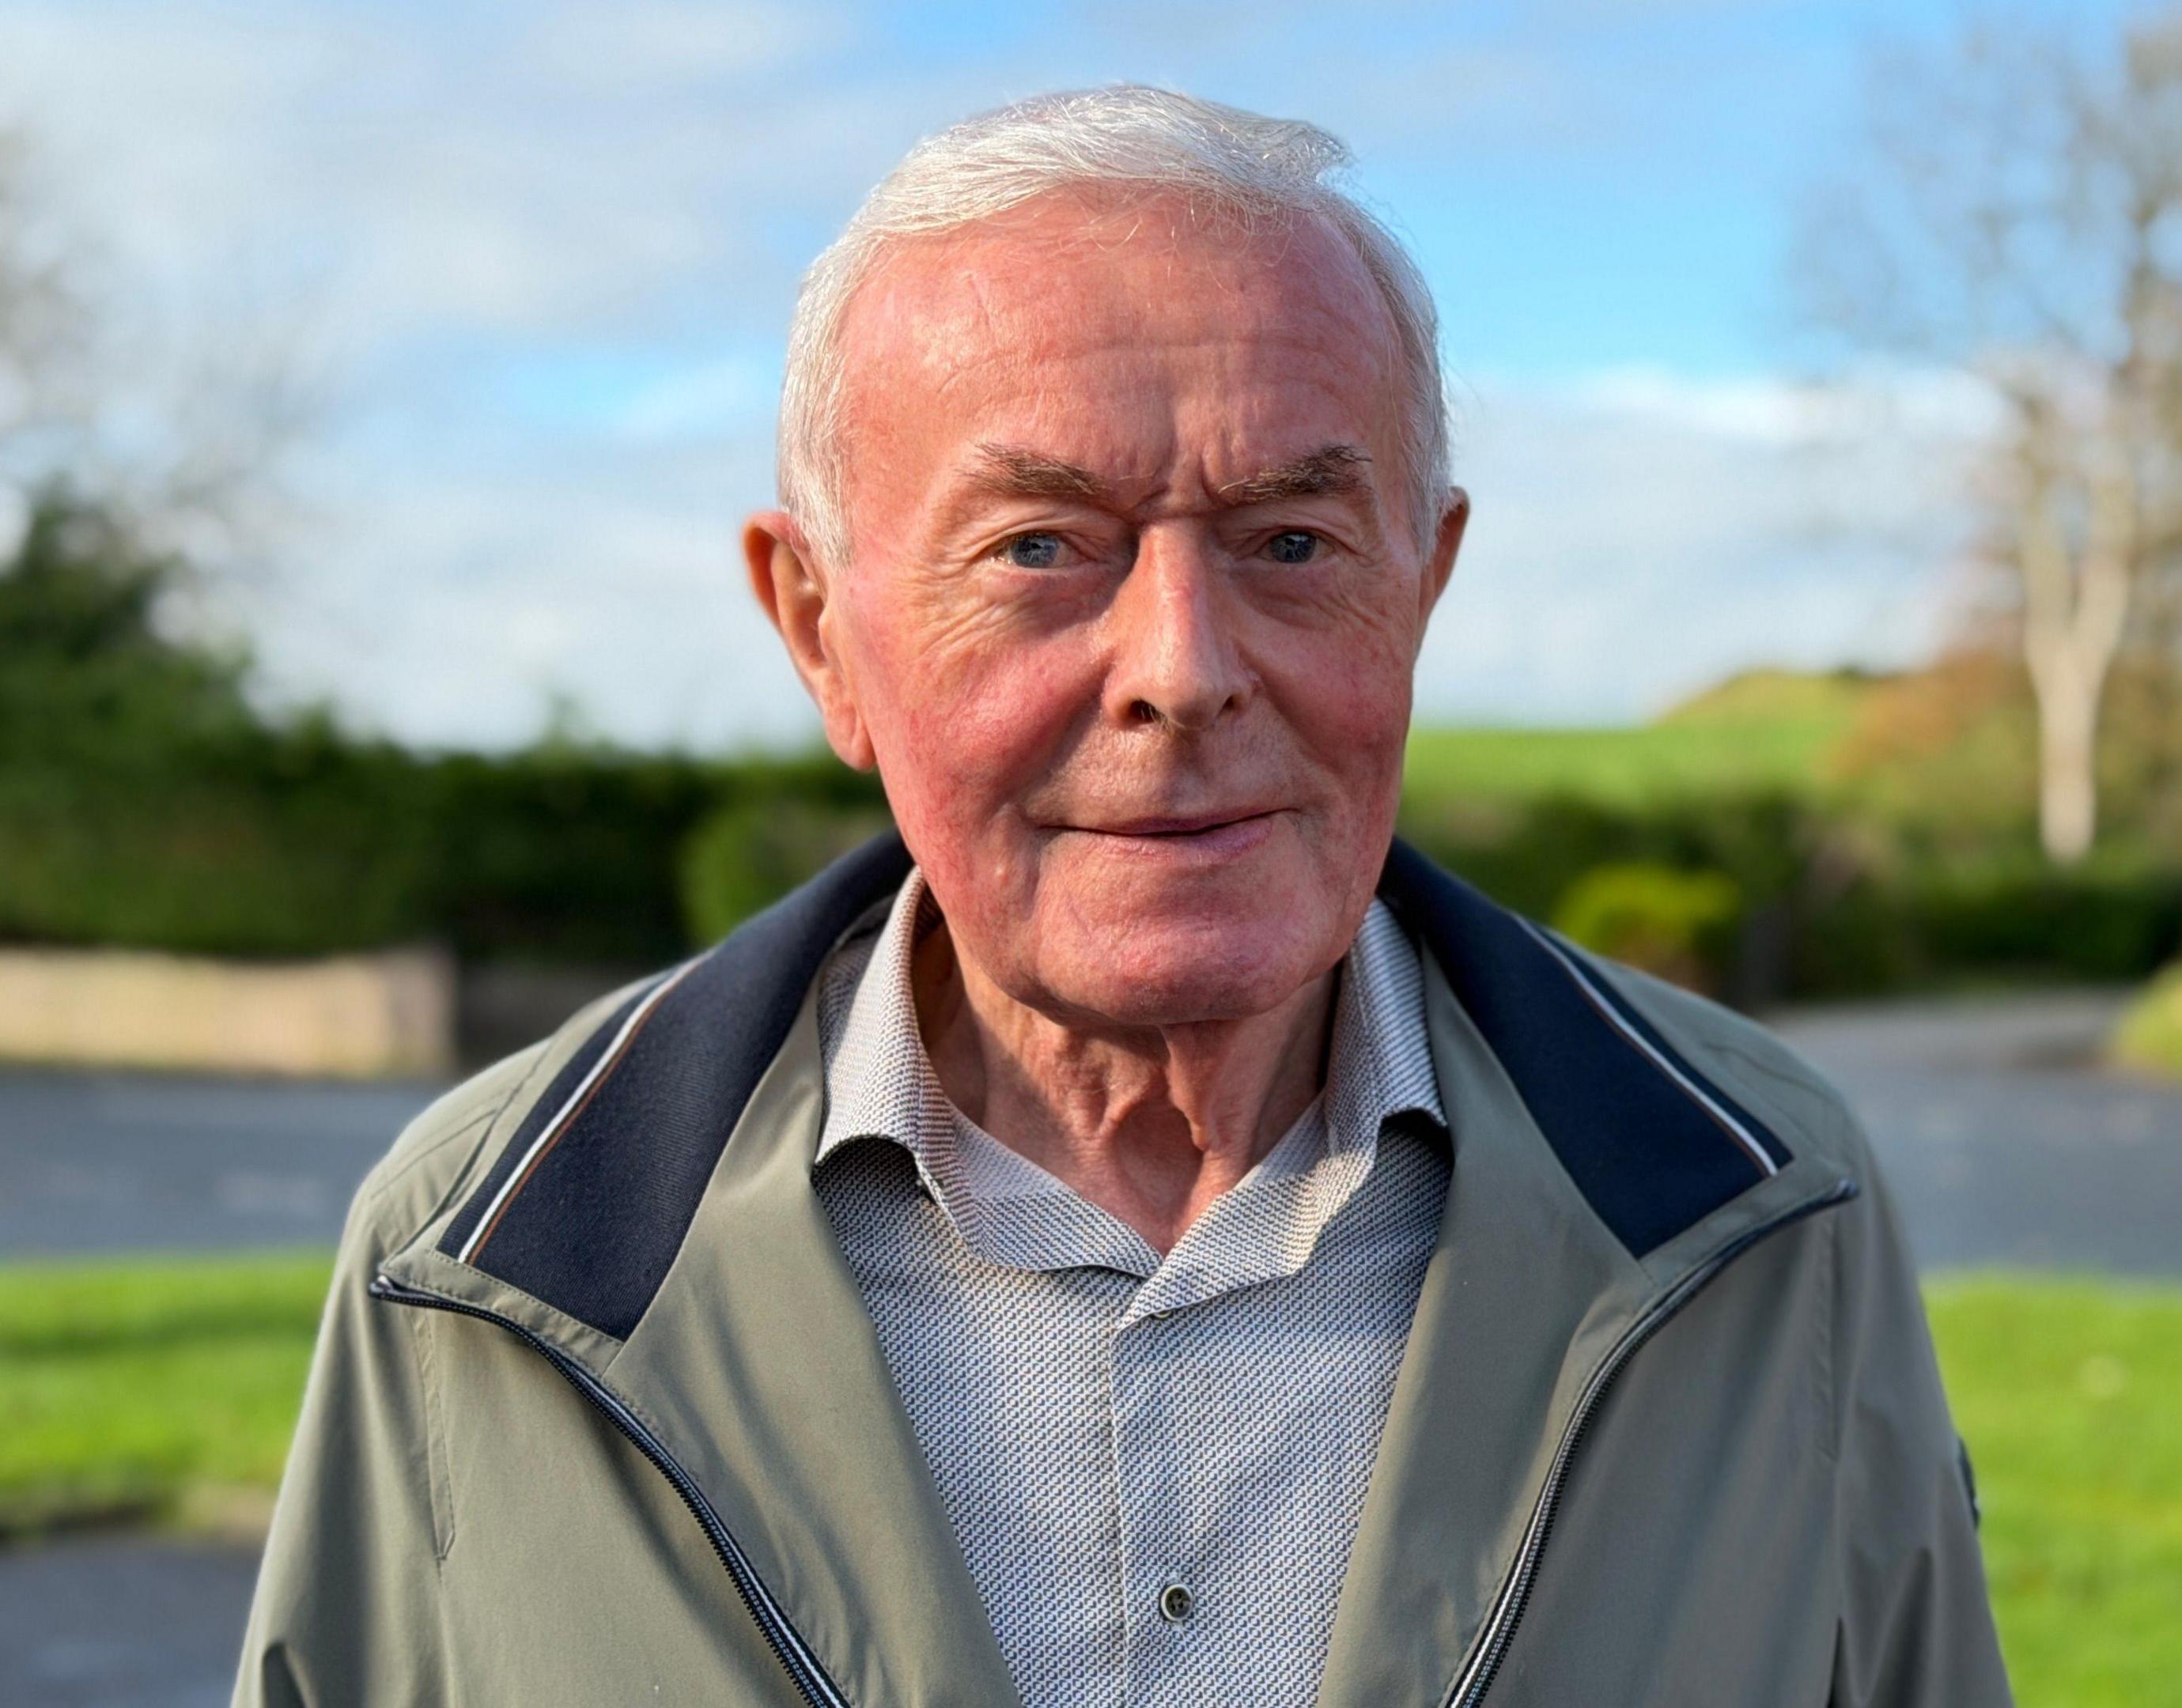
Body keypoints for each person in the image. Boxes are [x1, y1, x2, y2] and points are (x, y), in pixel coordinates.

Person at [235, 85, 2009, 1708]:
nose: (1184, 667)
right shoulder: (483, 1261)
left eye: (1293, 543)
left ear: (1426, 583)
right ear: (819, 634)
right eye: (1038, 549)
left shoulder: (1765, 1214)